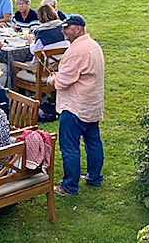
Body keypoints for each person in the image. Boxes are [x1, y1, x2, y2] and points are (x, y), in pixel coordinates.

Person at [47, 15, 105, 196]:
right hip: (91, 104)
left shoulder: (75, 51)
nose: (63, 31)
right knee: (93, 142)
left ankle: (69, 186)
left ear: (79, 29)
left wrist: (52, 78)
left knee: (69, 146)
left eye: (67, 28)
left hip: (74, 107)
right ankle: (94, 178)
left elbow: (62, 82)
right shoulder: (94, 46)